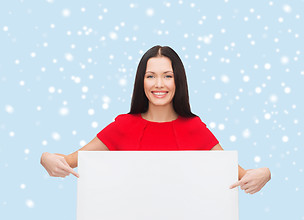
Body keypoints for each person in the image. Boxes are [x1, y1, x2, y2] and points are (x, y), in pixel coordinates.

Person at [40, 45, 271, 194]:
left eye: (167, 76)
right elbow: (69, 161)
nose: (159, 84)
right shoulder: (122, 127)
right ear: (142, 81)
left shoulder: (194, 129)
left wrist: (265, 174)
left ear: (177, 81)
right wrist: (45, 158)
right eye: (151, 76)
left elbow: (241, 175)